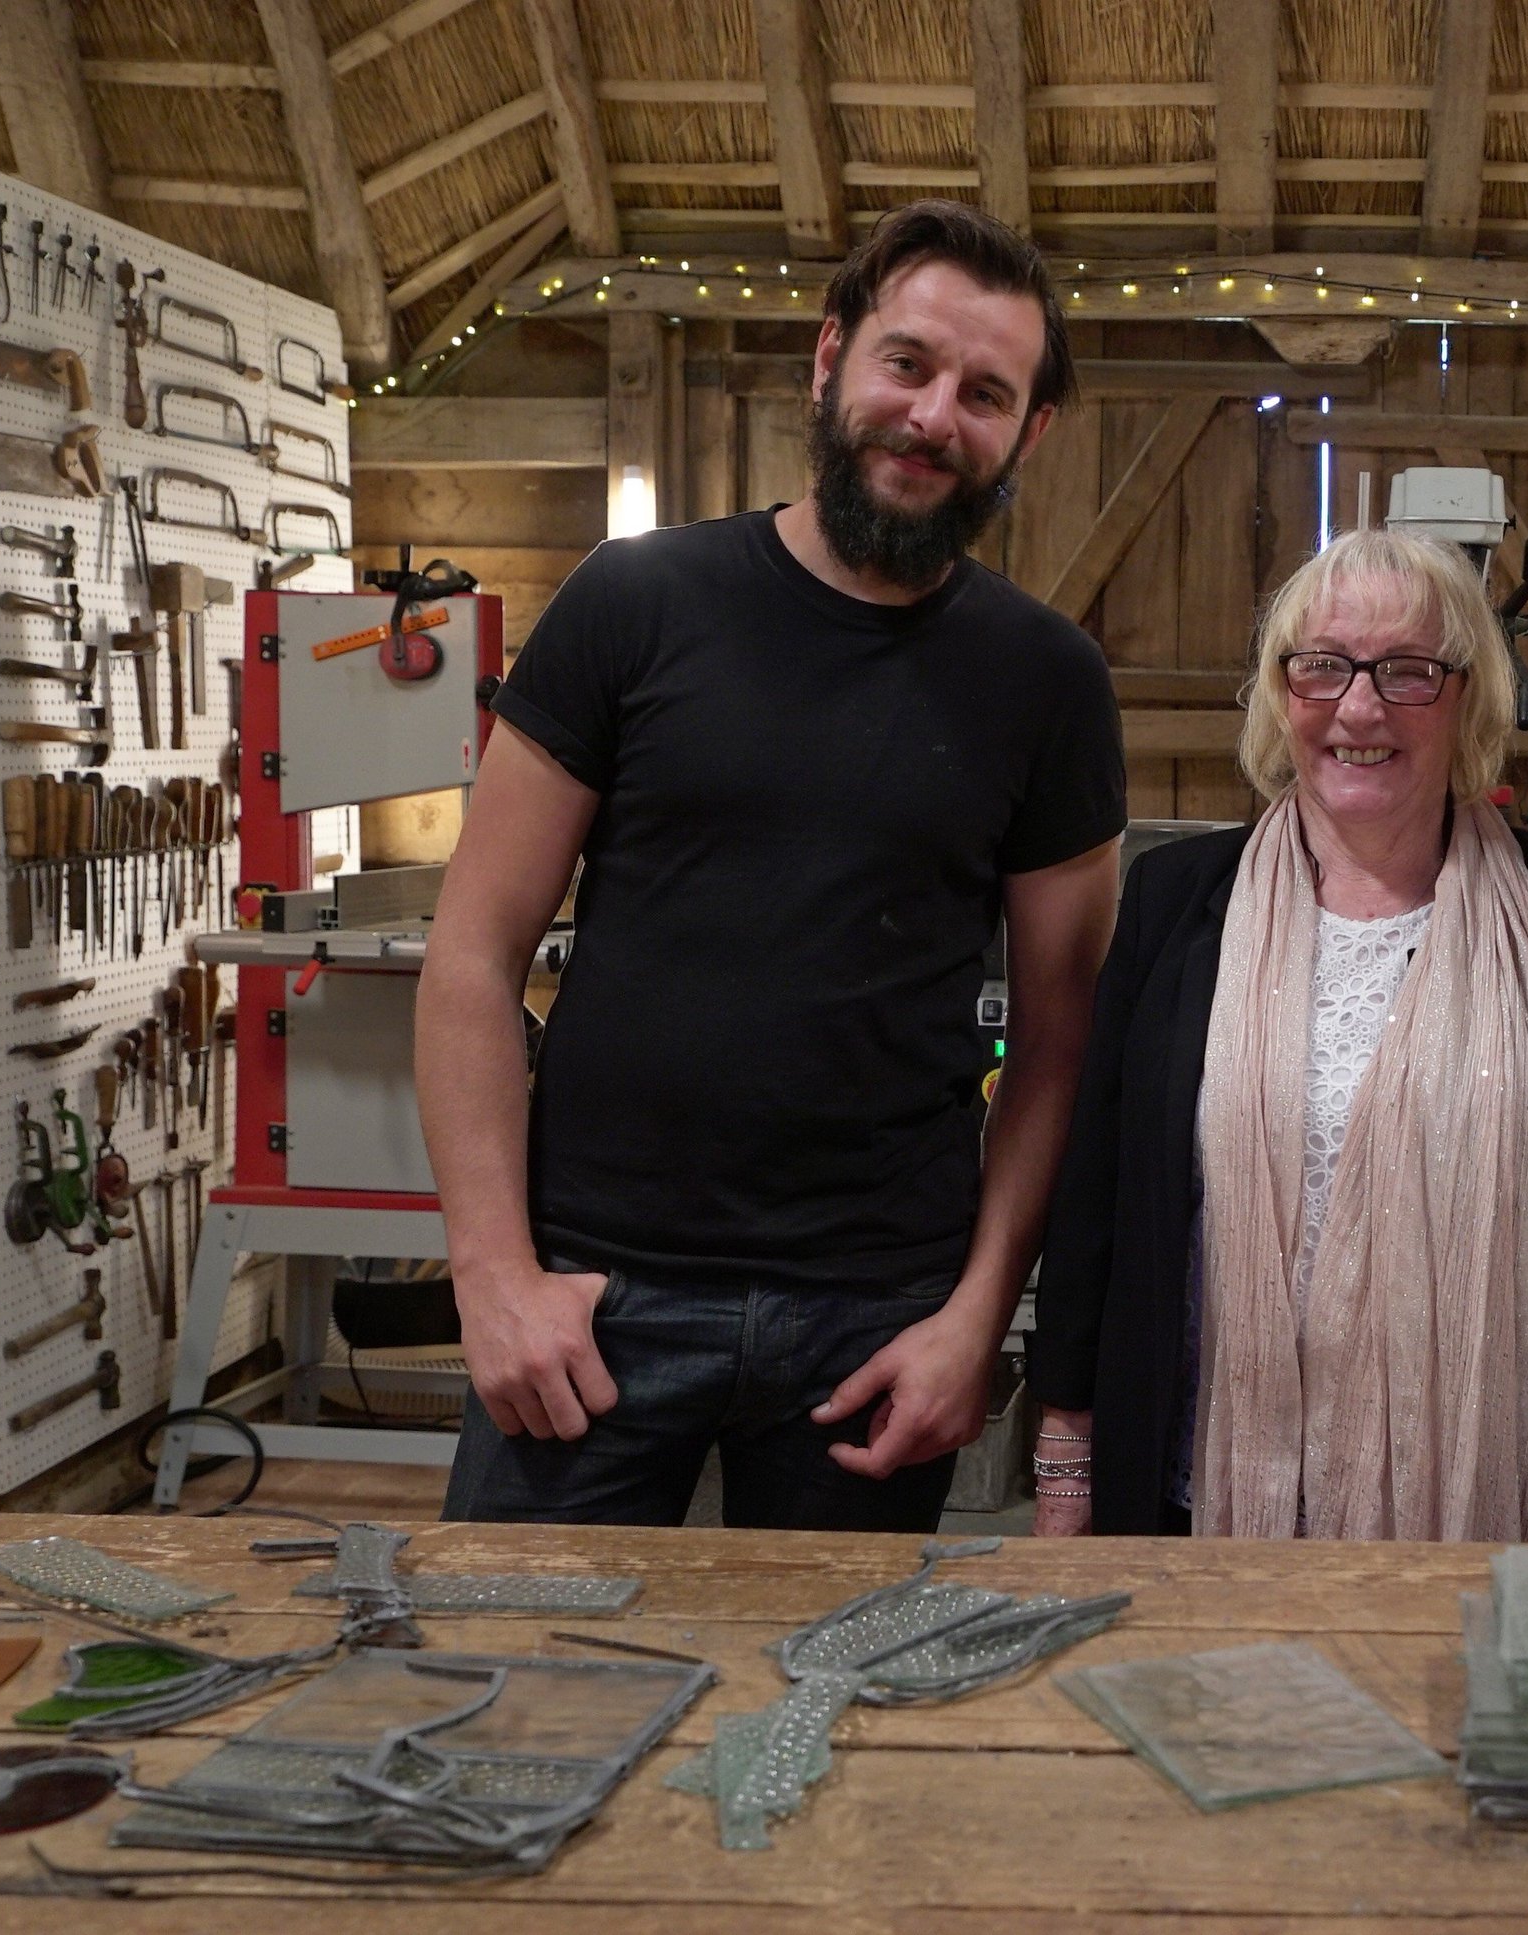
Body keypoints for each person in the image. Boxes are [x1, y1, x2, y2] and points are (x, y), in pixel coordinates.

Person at [415, 201, 1127, 1530]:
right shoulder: (633, 603)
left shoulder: (1048, 683)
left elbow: (1059, 1044)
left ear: (1026, 434)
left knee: (832, 1719)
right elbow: (470, 954)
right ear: (829, 359)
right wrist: (493, 1272)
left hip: (875, 1329)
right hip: (592, 1306)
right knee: (514, 1694)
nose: (931, 416)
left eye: (983, 393)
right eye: (905, 364)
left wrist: (978, 1320)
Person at [1030, 530, 1528, 1542]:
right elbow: (1097, 1198)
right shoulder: (1175, 902)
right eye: (1322, 667)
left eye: (1407, 672)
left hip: (1493, 1495)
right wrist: (1065, 1467)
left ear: (1468, 695)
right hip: (1204, 1493)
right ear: (1279, 689)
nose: (1358, 707)